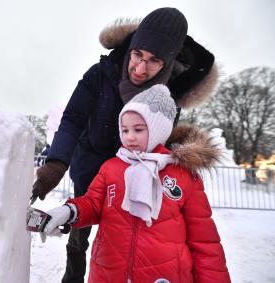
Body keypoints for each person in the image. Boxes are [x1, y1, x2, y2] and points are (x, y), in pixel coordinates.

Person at [32, 7, 218, 282]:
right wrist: (57, 163)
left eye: (154, 61)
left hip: (137, 172)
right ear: (130, 47)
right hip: (92, 167)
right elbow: (73, 119)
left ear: (167, 63)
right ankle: (72, 278)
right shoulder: (101, 74)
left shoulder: (168, 94)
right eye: (137, 55)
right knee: (79, 235)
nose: (140, 69)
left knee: (125, 234)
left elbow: (161, 138)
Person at [42, 84, 231, 283]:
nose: (129, 137)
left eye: (138, 129)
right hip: (108, 273)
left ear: (158, 130)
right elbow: (93, 203)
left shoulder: (183, 174)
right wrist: (69, 211)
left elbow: (205, 243)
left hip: (164, 276)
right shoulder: (111, 167)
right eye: (124, 130)